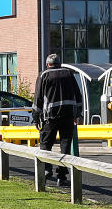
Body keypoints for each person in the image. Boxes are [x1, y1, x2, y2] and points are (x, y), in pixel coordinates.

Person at [35, 53, 82, 184]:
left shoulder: (44, 75)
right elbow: (78, 95)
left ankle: (47, 169)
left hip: (50, 117)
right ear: (60, 63)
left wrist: (35, 117)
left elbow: (38, 98)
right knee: (65, 147)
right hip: (68, 116)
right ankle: (62, 176)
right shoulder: (69, 74)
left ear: (47, 64)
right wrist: (78, 114)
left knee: (45, 144)